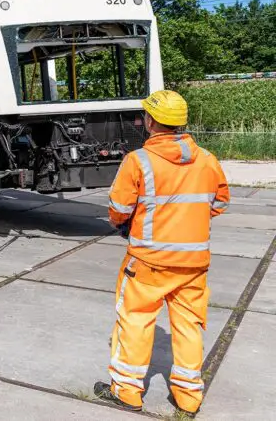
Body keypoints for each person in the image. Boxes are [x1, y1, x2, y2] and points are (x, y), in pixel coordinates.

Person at [95, 89, 229, 416]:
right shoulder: (207, 160)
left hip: (148, 262)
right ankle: (188, 396)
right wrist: (187, 222)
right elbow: (220, 202)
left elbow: (118, 209)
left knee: (136, 320)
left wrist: (134, 223)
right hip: (193, 263)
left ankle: (127, 390)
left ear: (150, 121)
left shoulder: (138, 160)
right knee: (187, 326)